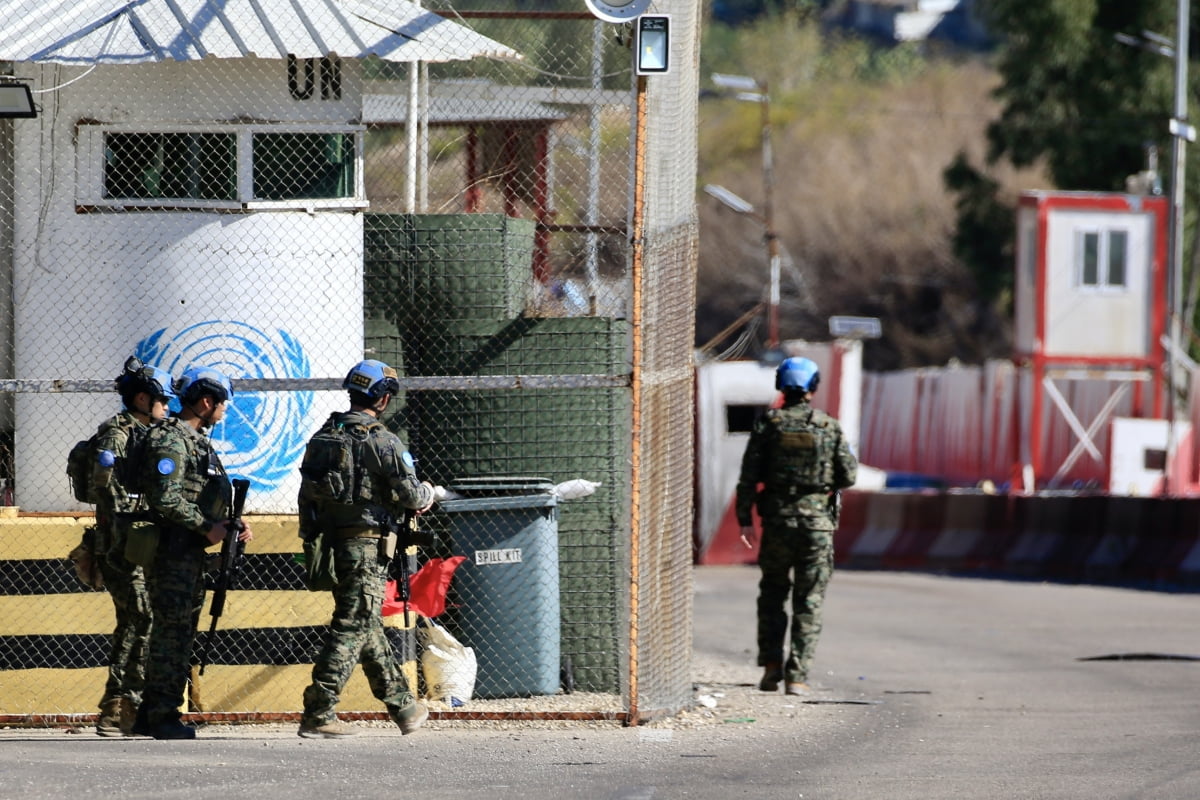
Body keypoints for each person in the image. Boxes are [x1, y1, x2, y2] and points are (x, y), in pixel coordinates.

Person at [297, 358, 435, 739]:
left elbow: (305, 495)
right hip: (367, 546)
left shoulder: (323, 437)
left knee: (367, 623)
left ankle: (404, 707)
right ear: (382, 398)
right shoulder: (382, 440)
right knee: (353, 624)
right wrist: (427, 494)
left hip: (331, 543)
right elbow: (410, 494)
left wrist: (311, 538)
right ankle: (318, 710)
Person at [134, 366, 253, 740]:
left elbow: (200, 494)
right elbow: (166, 499)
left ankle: (150, 713)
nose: (225, 411)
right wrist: (207, 527)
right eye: (223, 404)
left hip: (190, 553)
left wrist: (232, 524)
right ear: (206, 401)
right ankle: (162, 716)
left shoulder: (199, 440)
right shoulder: (172, 441)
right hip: (173, 552)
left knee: (178, 633)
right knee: (172, 635)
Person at [735, 356, 857, 696]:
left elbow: (748, 478)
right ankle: (798, 676)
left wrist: (745, 519)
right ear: (812, 387)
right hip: (816, 528)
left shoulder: (768, 425)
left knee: (772, 595)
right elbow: (848, 475)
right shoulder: (828, 427)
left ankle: (771, 667)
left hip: (777, 524)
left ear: (781, 385)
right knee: (809, 600)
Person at [88, 357, 175, 736]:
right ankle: (117, 707)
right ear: (142, 398)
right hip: (121, 547)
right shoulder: (117, 434)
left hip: (143, 545)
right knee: (140, 618)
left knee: (139, 621)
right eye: (163, 401)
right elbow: (109, 491)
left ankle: (130, 706)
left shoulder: (150, 434)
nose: (168, 408)